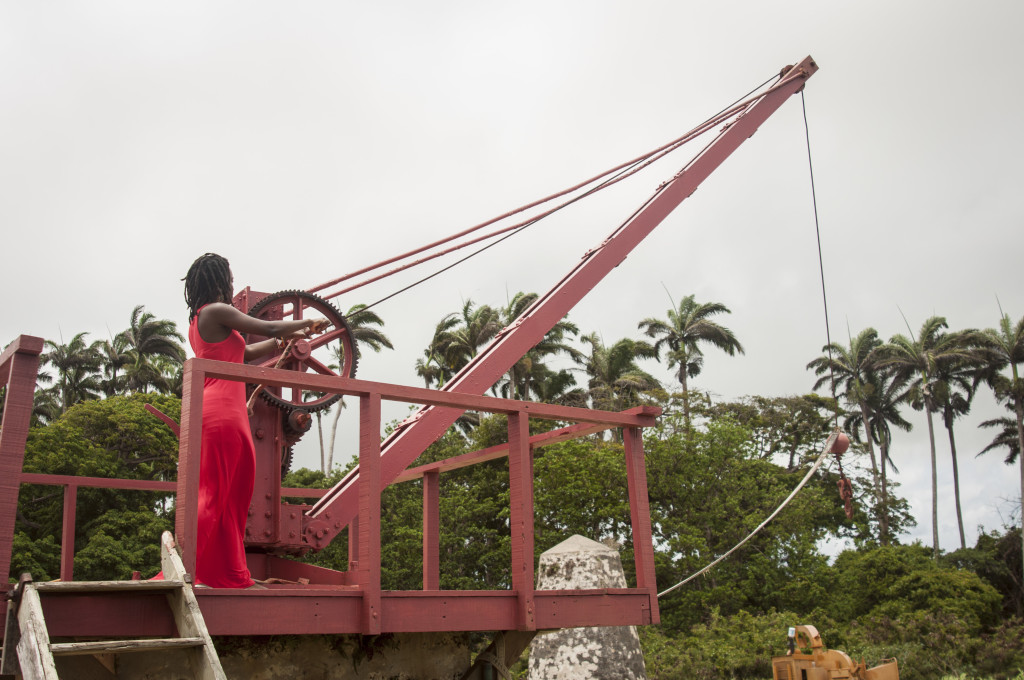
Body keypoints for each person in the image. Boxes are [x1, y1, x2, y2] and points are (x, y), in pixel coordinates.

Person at [181, 253, 324, 588]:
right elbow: (270, 325)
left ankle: (228, 573)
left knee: (234, 494)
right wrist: (303, 325)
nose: (232, 282)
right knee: (216, 492)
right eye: (228, 276)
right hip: (221, 410)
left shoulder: (200, 323)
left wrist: (283, 343)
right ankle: (191, 568)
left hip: (227, 408)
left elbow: (242, 354)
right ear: (219, 279)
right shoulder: (215, 311)